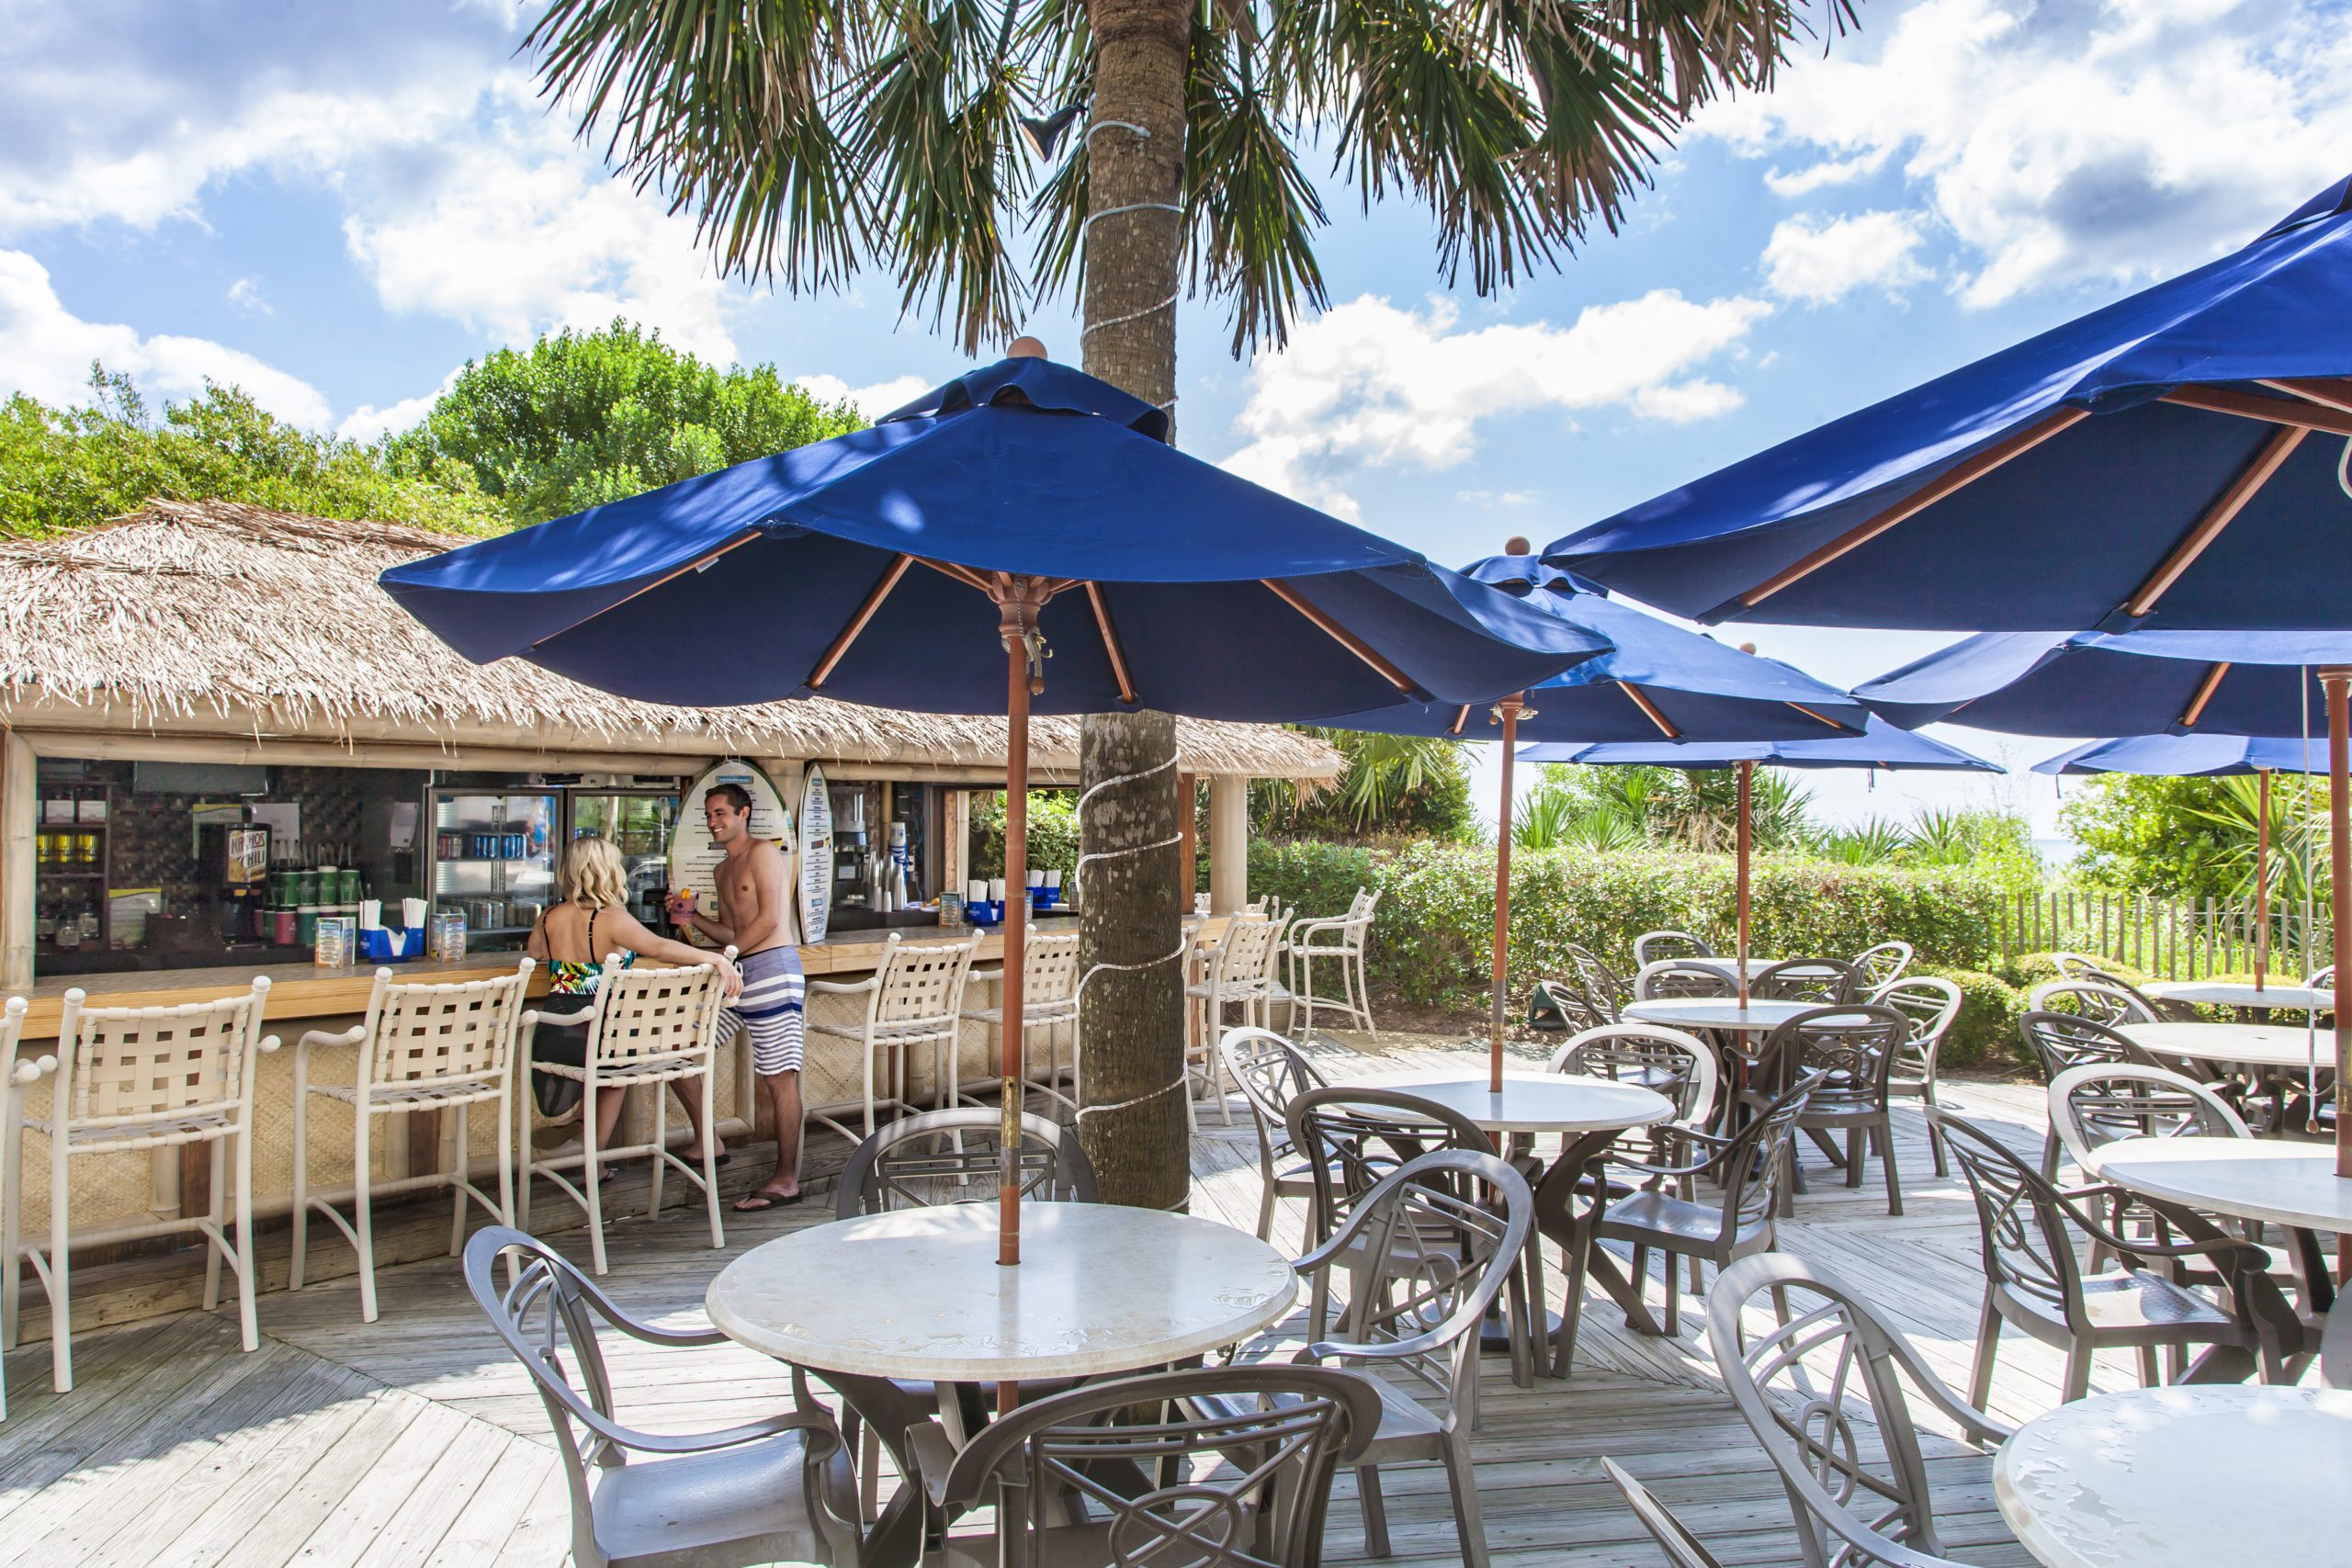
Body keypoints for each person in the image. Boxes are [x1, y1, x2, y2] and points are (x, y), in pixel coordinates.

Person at [526, 835, 741, 1168]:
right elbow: (660, 948)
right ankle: (593, 1158)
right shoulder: (610, 918)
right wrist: (716, 960)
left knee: (611, 1057)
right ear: (610, 871)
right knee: (618, 1061)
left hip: (557, 1031)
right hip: (603, 1032)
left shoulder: (548, 917)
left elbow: (535, 953)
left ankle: (584, 1125)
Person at [668, 782, 808, 1209]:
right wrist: (694, 921)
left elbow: (769, 919)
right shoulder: (720, 871)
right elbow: (732, 932)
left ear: (743, 813)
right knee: (678, 1051)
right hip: (738, 973)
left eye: (720, 814)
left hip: (772, 969)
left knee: (778, 1077)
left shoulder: (764, 852)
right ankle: (708, 1140)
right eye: (708, 816)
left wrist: (721, 958)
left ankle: (786, 1179)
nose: (713, 822)